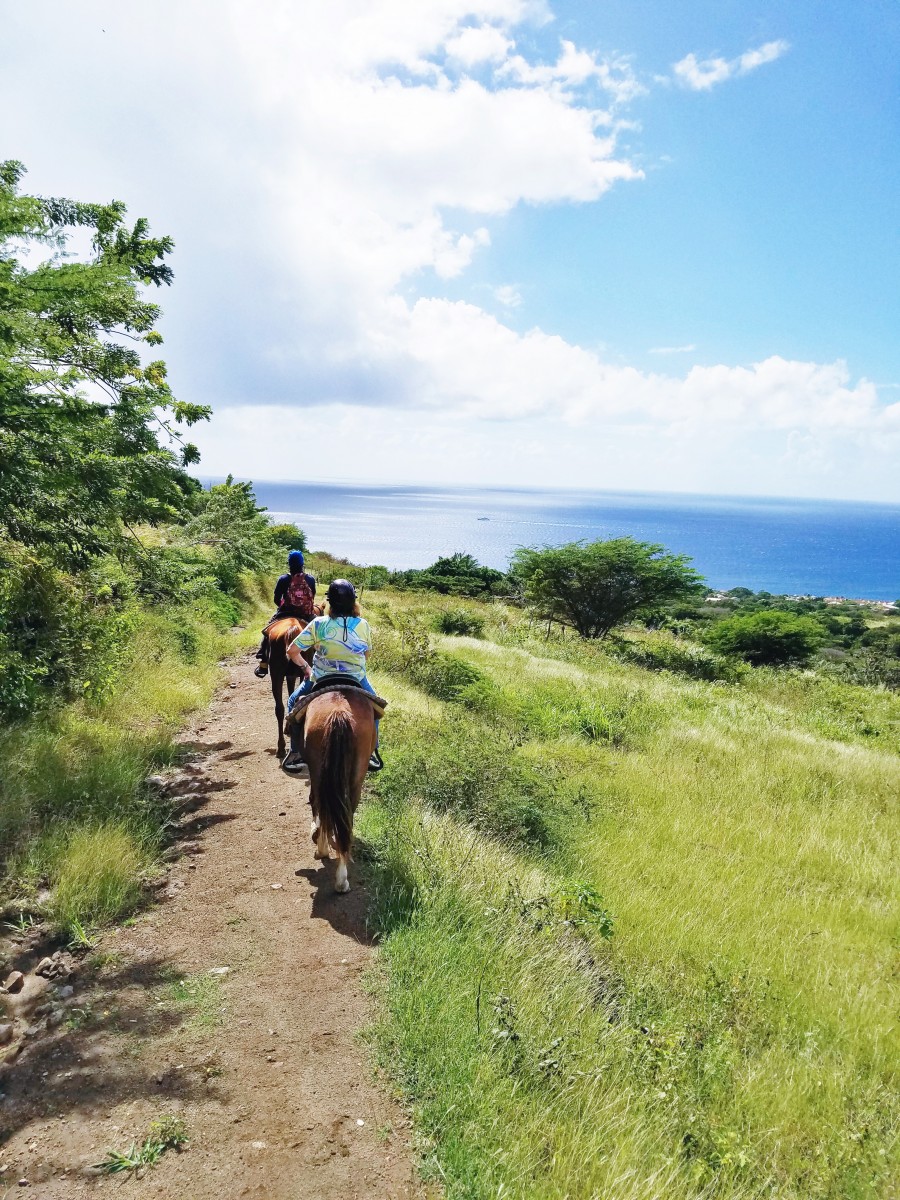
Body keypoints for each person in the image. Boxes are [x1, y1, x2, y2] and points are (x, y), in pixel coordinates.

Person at [281, 578, 383, 773]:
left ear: (330, 602)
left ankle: (295, 753)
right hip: (356, 678)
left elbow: (292, 651)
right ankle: (372, 752)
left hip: (320, 678)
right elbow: (367, 655)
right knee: (376, 707)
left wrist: (306, 669)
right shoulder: (363, 624)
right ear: (353, 602)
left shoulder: (318, 624)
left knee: (294, 702)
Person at [253, 549, 317, 678]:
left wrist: (283, 606)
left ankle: (263, 661)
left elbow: (276, 599)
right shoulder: (310, 579)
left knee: (267, 631)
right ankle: (318, 662)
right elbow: (312, 597)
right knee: (318, 634)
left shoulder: (283, 579)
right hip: (306, 615)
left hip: (285, 613)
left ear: (289, 564)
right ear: (302, 564)